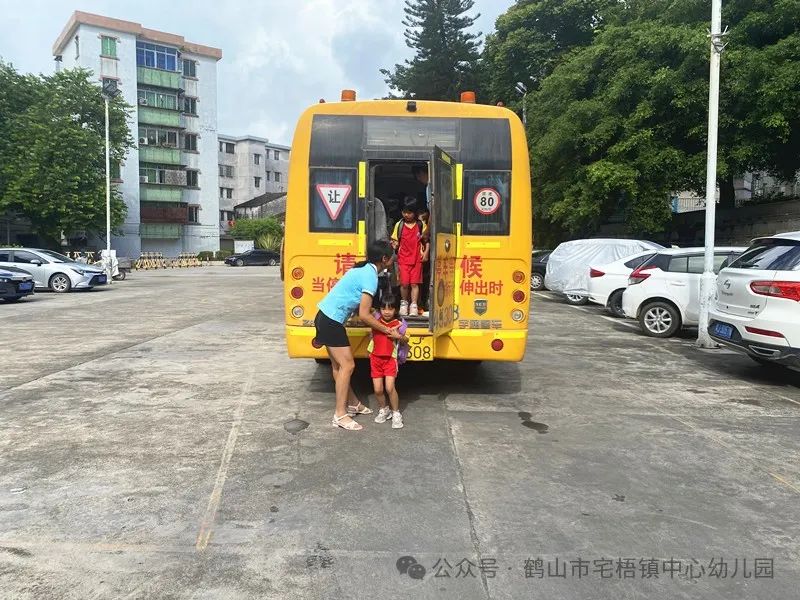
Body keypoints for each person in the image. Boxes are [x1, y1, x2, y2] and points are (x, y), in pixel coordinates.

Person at [315, 240, 402, 431]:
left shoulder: (361, 269)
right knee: (348, 365)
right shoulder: (369, 276)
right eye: (392, 255)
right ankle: (340, 414)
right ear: (385, 259)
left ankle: (353, 403)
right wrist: (388, 330)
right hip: (331, 321)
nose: (394, 258)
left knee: (339, 366)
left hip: (324, 317)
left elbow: (357, 304)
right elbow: (364, 314)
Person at [368, 294, 408, 429]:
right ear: (379, 309)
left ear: (396, 310)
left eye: (390, 309)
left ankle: (396, 413)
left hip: (390, 359)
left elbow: (406, 339)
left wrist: (398, 336)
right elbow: (365, 310)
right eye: (383, 308)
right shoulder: (375, 320)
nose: (386, 311)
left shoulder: (399, 324)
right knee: (378, 389)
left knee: (389, 387)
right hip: (375, 359)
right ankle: (384, 409)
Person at [391, 198, 425, 316]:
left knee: (415, 284)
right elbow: (394, 240)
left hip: (417, 260)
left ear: (415, 213)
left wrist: (425, 254)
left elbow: (426, 240)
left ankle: (414, 305)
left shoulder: (421, 225)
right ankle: (404, 303)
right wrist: (394, 244)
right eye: (404, 212)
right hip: (403, 259)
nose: (406, 215)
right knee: (404, 284)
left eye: (409, 212)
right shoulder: (399, 225)